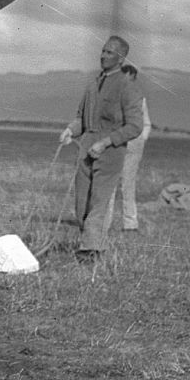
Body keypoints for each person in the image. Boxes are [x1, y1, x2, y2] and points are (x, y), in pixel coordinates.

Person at [58, 36, 144, 263]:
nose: (103, 56)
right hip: (85, 150)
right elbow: (81, 118)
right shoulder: (93, 84)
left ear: (121, 58)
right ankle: (91, 244)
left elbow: (135, 126)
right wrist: (70, 130)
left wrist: (106, 142)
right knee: (82, 204)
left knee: (99, 202)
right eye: (103, 51)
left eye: (109, 53)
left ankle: (90, 251)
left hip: (110, 153)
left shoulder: (128, 86)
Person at [117, 62, 152, 231]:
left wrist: (141, 139)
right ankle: (103, 222)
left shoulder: (140, 99)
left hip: (133, 144)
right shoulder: (113, 97)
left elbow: (146, 123)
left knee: (127, 183)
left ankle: (130, 224)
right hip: (115, 142)